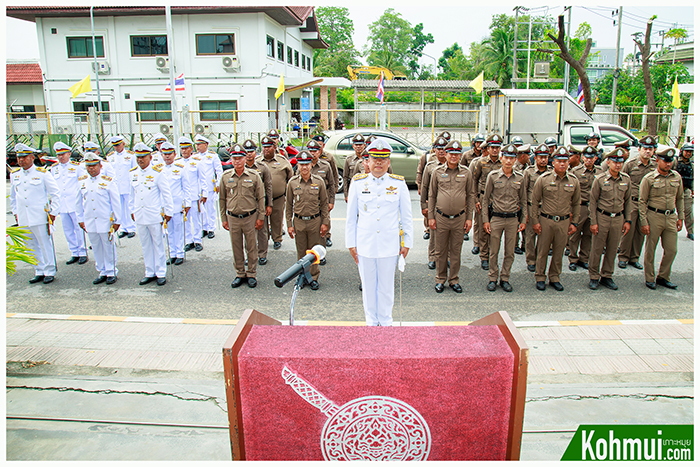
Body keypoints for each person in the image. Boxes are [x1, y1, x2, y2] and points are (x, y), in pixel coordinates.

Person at [346, 138, 413, 326]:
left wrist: (407, 243)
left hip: (389, 245)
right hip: (365, 245)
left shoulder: (398, 184)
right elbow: (351, 217)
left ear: (388, 162)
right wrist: (351, 243)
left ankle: (386, 323)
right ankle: (371, 323)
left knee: (386, 288)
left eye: (383, 159)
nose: (378, 163)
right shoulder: (358, 183)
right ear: (367, 161)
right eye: (375, 158)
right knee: (368, 287)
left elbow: (406, 216)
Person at [9, 143, 61, 284]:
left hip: (40, 216)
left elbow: (55, 194)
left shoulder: (42, 174)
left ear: (32, 157)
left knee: (45, 244)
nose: (21, 160)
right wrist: (15, 213)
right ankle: (39, 270)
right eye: (19, 158)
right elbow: (13, 197)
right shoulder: (15, 175)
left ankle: (50, 271)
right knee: (30, 245)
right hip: (24, 217)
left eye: (24, 157)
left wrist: (53, 212)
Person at [531, 146, 581, 291]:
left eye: (565, 161)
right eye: (559, 161)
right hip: (546, 220)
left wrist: (575, 222)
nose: (562, 164)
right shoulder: (544, 179)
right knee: (543, 250)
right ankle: (540, 277)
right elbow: (535, 201)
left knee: (559, 251)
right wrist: (535, 221)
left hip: (564, 221)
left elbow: (576, 203)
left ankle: (555, 277)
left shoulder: (573, 181)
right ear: (553, 162)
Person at [428, 140, 474, 293]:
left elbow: (471, 195)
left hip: (459, 218)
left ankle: (454, 279)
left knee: (455, 251)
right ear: (446, 154)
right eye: (451, 153)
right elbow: (432, 195)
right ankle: (440, 279)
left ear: (460, 155)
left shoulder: (466, 173)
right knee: (440, 251)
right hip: (441, 217)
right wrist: (431, 217)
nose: (454, 156)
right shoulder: (437, 172)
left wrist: (469, 218)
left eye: (457, 154)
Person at [482, 144, 526, 292]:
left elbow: (523, 201)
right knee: (493, 250)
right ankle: (492, 278)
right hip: (497, 218)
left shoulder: (520, 177)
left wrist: (524, 220)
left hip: (513, 219)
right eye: (506, 157)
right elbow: (486, 199)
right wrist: (486, 220)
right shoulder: (493, 176)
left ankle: (505, 278)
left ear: (515, 160)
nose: (508, 161)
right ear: (501, 158)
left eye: (512, 158)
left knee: (509, 252)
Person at [220, 144, 265, 288]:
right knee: (236, 247)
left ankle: (251, 273)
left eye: (240, 158)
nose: (237, 161)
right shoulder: (226, 177)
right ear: (231, 160)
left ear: (245, 158)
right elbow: (222, 199)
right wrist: (223, 218)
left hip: (250, 217)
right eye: (234, 158)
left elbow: (261, 197)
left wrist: (260, 217)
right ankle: (240, 273)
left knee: (251, 246)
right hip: (233, 217)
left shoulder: (254, 176)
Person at [639, 147, 684, 290]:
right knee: (650, 249)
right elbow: (642, 201)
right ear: (657, 160)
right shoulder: (649, 179)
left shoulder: (676, 177)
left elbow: (680, 198)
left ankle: (664, 276)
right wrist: (644, 222)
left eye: (670, 161)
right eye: (665, 161)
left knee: (672, 250)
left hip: (670, 217)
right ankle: (650, 278)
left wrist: (680, 217)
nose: (668, 164)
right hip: (654, 216)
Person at [129, 142, 173, 286]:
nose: (140, 160)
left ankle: (160, 272)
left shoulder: (157, 173)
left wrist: (168, 212)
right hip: (140, 215)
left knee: (158, 244)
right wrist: (131, 210)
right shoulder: (133, 174)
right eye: (138, 157)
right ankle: (149, 272)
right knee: (145, 245)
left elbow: (167, 195)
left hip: (154, 215)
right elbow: (131, 195)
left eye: (143, 157)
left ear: (149, 157)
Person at [285, 150, 330, 290]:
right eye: (301, 165)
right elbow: (288, 205)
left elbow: (324, 204)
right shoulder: (292, 183)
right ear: (297, 166)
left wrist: (325, 223)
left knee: (313, 252)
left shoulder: (318, 182)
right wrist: (289, 224)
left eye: (307, 164)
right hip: (298, 221)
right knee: (301, 251)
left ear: (311, 165)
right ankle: (302, 277)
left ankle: (314, 277)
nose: (304, 167)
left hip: (314, 221)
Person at [587, 148, 631, 290]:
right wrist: (593, 222)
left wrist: (628, 220)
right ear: (608, 162)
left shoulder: (626, 180)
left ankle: (607, 275)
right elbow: (592, 202)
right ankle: (594, 276)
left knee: (612, 249)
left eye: (620, 162)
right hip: (602, 217)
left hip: (618, 218)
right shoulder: (600, 179)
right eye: (614, 162)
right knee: (597, 249)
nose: (618, 165)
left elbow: (628, 201)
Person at [77, 153, 122, 285]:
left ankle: (111, 271)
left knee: (108, 246)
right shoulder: (82, 181)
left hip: (105, 220)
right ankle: (102, 271)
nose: (91, 169)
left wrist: (117, 220)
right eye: (88, 166)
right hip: (90, 220)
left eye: (94, 166)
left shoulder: (107, 181)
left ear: (100, 166)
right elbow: (78, 202)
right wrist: (80, 218)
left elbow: (115, 202)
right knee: (96, 247)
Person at [618, 135, 658, 270]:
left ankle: (634, 257)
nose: (648, 151)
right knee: (628, 230)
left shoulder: (655, 166)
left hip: (647, 203)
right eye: (645, 148)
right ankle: (623, 257)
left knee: (641, 231)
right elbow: (622, 181)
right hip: (632, 202)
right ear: (639, 149)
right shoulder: (630, 164)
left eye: (650, 149)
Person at [50, 141, 89, 265]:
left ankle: (82, 252)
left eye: (63, 154)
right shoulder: (54, 169)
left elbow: (83, 184)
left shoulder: (77, 167)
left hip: (74, 203)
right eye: (58, 154)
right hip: (62, 204)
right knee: (67, 230)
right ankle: (74, 252)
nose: (61, 157)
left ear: (69, 153)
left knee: (78, 228)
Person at [471, 133, 503, 269]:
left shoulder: (503, 162)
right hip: (484, 198)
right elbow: (474, 180)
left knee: (495, 230)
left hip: (498, 200)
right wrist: (476, 200)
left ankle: (492, 255)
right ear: (488, 148)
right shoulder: (481, 162)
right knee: (483, 229)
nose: (495, 150)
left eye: (497, 147)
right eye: (492, 147)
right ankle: (484, 256)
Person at [567, 146, 602, 271]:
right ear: (582, 157)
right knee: (575, 234)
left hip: (593, 207)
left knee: (588, 234)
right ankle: (573, 258)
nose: (589, 160)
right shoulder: (575, 172)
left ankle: (584, 258)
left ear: (595, 158)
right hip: (580, 206)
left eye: (591, 157)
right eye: (586, 157)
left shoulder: (600, 172)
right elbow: (570, 191)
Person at [257, 135, 294, 250]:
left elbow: (291, 178)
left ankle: (277, 239)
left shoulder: (282, 161)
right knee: (262, 220)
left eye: (268, 147)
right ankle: (263, 240)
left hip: (278, 197)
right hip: (261, 199)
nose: (266, 149)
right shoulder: (257, 162)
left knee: (277, 219)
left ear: (274, 147)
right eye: (264, 147)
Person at [159, 142, 191, 266]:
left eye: (169, 154)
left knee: (178, 230)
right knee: (169, 231)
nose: (167, 157)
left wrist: (187, 204)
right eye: (165, 154)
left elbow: (186, 187)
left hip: (177, 205)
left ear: (174, 154)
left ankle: (180, 253)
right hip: (164, 206)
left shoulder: (180, 168)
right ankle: (172, 253)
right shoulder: (158, 170)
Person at [243, 139, 273, 264]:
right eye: (247, 152)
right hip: (246, 205)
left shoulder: (262, 167)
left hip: (260, 203)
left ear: (256, 152)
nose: (249, 154)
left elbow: (268, 186)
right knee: (248, 232)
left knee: (262, 231)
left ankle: (262, 254)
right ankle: (249, 255)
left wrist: (269, 204)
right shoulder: (240, 167)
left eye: (251, 151)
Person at [522, 144, 551, 272]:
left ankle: (540, 259)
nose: (543, 160)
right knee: (530, 236)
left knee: (544, 236)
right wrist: (525, 213)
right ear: (536, 158)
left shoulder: (551, 172)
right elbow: (523, 192)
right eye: (540, 157)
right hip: (531, 207)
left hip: (546, 209)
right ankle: (531, 260)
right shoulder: (529, 172)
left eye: (545, 157)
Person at [307, 139, 336, 265]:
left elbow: (332, 183)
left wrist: (331, 200)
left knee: (322, 229)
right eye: (310, 151)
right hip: (308, 203)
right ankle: (309, 254)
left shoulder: (325, 165)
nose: (313, 153)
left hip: (322, 202)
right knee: (311, 230)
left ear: (319, 152)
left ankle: (321, 254)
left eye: (315, 151)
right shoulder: (303, 165)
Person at [421, 137, 448, 269]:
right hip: (434, 204)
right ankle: (432, 257)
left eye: (444, 149)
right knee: (434, 233)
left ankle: (445, 257)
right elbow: (424, 187)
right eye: (438, 149)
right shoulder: (430, 166)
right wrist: (424, 206)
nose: (441, 151)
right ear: (434, 150)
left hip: (448, 205)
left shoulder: (453, 166)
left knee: (448, 234)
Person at [310, 134, 339, 247]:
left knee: (325, 217)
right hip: (310, 196)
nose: (319, 149)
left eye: (321, 146)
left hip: (325, 194)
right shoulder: (306, 160)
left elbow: (334, 177)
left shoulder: (329, 158)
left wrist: (333, 195)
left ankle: (326, 236)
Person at [179, 136, 206, 253]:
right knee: (185, 220)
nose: (184, 151)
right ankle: (188, 241)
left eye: (186, 148)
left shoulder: (197, 162)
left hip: (195, 196)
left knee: (196, 219)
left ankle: (197, 240)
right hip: (183, 197)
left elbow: (203, 179)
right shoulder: (177, 164)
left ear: (191, 149)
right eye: (182, 149)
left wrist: (204, 193)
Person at [194, 134, 223, 239]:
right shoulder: (194, 157)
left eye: (200, 144)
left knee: (210, 208)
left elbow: (219, 170)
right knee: (201, 209)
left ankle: (211, 228)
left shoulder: (212, 156)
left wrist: (218, 183)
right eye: (196, 144)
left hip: (210, 185)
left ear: (206, 144)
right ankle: (204, 228)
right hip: (198, 187)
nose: (198, 147)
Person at [108, 135, 137, 238]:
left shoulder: (130, 156)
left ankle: (131, 228)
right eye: (114, 146)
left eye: (118, 145)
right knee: (119, 208)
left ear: (123, 144)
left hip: (127, 184)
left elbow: (134, 170)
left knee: (129, 207)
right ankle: (123, 228)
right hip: (116, 186)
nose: (117, 147)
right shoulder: (110, 157)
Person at [673, 142, 693, 240]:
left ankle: (690, 231)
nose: (688, 153)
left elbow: (693, 179)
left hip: (685, 190)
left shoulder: (692, 165)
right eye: (687, 151)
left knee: (688, 212)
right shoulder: (675, 161)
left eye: (691, 152)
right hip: (673, 190)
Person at [343, 133, 366, 202]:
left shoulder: (368, 159)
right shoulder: (349, 159)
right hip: (354, 190)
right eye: (356, 145)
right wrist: (346, 194)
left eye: (360, 145)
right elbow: (345, 177)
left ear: (364, 145)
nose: (358, 147)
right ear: (353, 146)